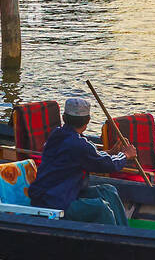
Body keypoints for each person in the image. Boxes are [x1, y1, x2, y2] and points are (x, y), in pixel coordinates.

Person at [28, 96, 137, 225]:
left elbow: (85, 157)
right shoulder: (78, 144)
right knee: (101, 208)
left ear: (64, 118)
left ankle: (123, 232)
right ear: (88, 121)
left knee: (108, 191)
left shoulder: (57, 134)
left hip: (66, 192)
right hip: (54, 202)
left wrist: (111, 153)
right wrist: (125, 155)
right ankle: (114, 240)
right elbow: (106, 164)